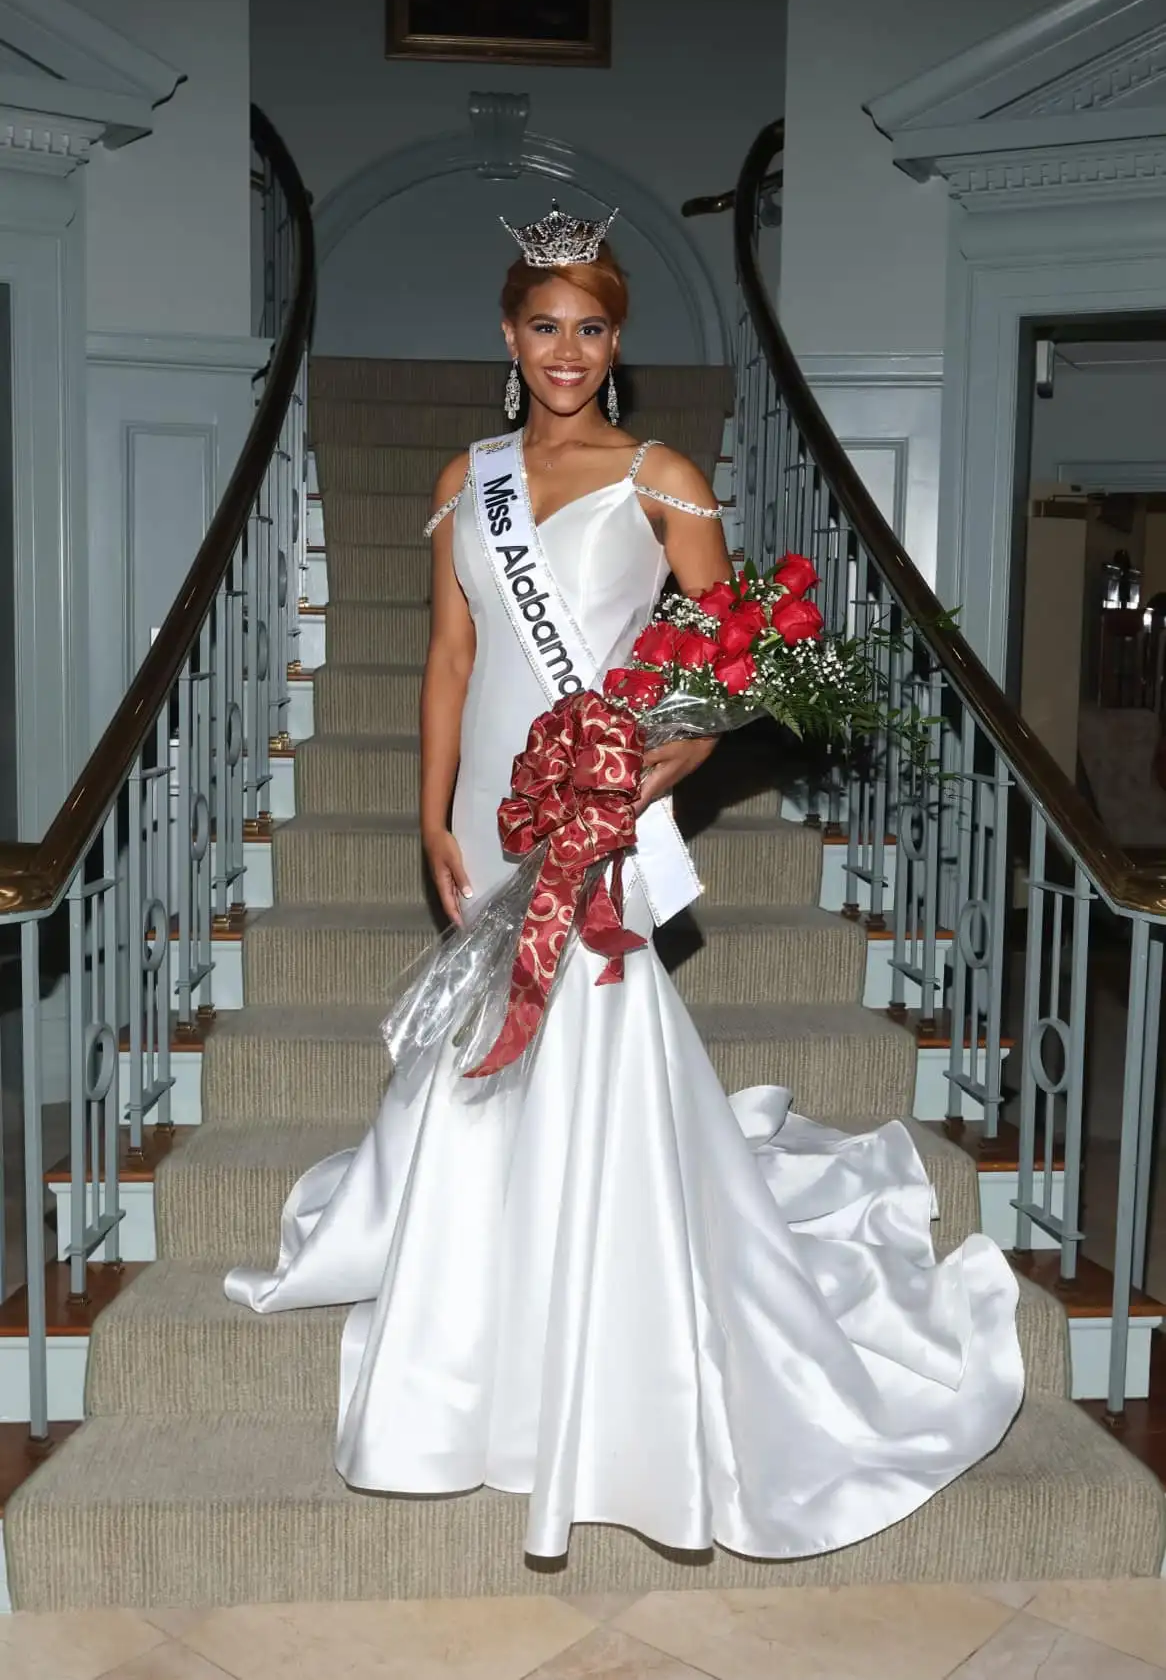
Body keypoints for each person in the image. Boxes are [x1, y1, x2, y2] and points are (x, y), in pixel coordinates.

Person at [225, 205, 1023, 1562]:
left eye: (590, 328)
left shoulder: (663, 474)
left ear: (617, 341)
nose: (566, 351)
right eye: (544, 325)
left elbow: (732, 654)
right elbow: (450, 656)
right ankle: (470, 1310)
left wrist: (676, 756)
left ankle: (598, 1320)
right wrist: (429, 811)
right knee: (486, 1043)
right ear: (507, 333)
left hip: (598, 798)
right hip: (495, 795)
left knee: (589, 1026)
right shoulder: (464, 477)